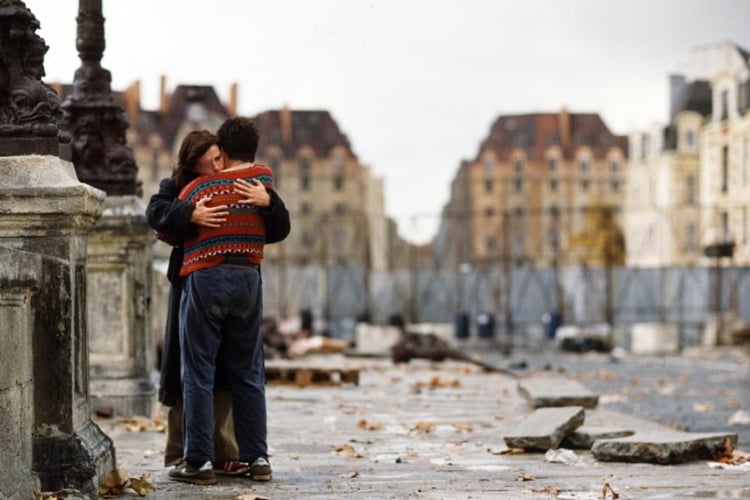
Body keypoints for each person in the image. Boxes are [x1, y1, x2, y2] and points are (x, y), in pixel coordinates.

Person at [146, 128, 289, 481]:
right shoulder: (187, 187)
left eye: (219, 158)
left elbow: (279, 224)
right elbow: (158, 214)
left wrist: (268, 202)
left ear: (224, 151)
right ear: (193, 161)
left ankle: (202, 460)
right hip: (234, 279)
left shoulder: (205, 189)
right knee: (245, 373)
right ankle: (255, 458)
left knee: (200, 373)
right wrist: (189, 215)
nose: (217, 165)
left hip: (204, 281)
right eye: (210, 161)